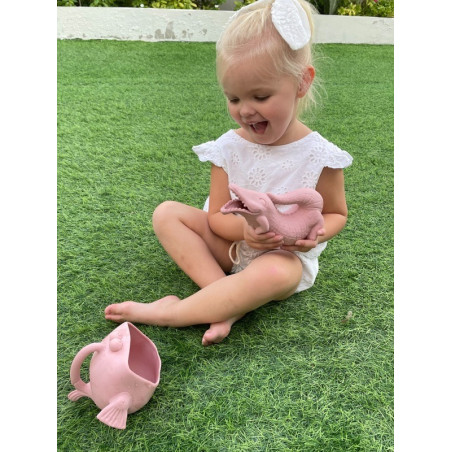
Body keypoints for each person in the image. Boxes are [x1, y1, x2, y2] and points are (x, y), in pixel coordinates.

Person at [105, 0, 353, 346]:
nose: (245, 110)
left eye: (260, 96)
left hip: (281, 257)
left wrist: (316, 233)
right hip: (231, 247)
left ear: (301, 82)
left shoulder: (320, 155)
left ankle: (172, 312)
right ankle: (224, 300)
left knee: (279, 271)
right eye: (233, 99)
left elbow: (336, 213)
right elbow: (217, 218)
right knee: (166, 214)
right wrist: (246, 233)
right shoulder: (227, 148)